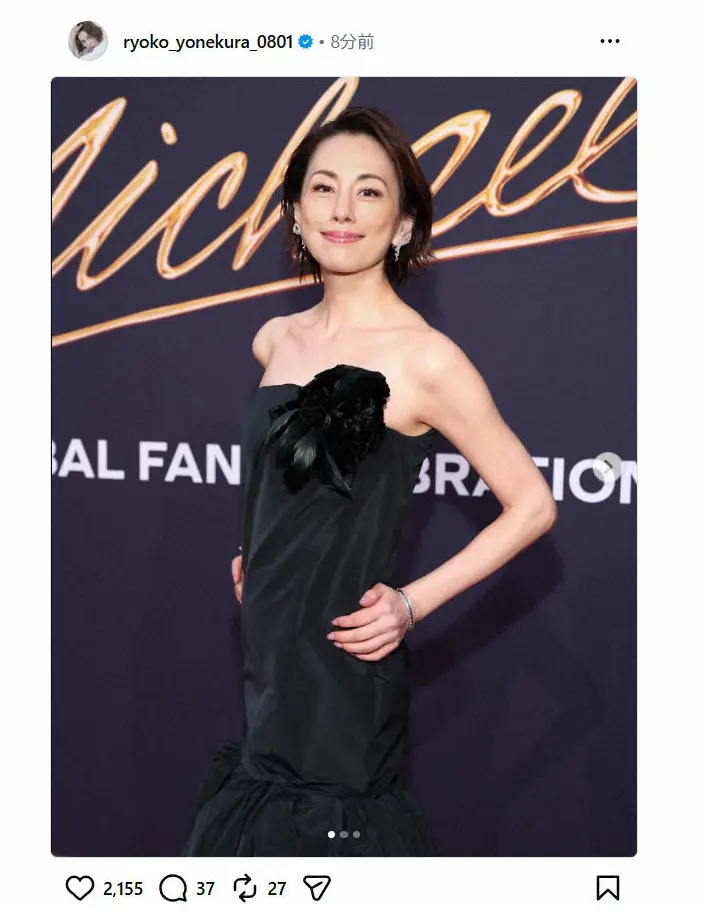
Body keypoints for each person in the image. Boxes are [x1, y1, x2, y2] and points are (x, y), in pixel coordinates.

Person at [182, 107, 558, 857]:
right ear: (295, 213)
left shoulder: (427, 359)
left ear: (404, 222)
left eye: (369, 192)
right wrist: (259, 548)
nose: (343, 210)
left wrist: (412, 603)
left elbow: (532, 506)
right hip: (270, 658)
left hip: (344, 671)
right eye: (323, 189)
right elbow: (287, 478)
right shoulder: (274, 340)